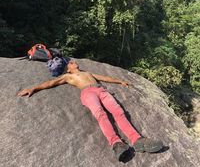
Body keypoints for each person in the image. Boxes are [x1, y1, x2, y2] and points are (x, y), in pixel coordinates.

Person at [17, 59, 163, 161]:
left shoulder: (88, 73)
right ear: (69, 68)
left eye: (74, 61)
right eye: (71, 63)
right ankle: (116, 143)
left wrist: (120, 81)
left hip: (101, 90)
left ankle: (137, 140)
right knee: (101, 114)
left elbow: (104, 77)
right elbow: (51, 82)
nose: (74, 62)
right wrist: (34, 88)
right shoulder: (68, 76)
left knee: (119, 112)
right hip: (87, 93)